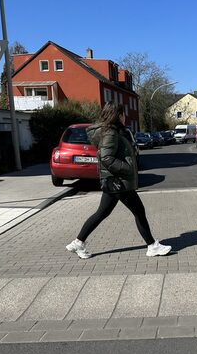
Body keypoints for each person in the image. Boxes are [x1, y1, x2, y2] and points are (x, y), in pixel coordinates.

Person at [66, 102, 171, 259]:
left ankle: (78, 242)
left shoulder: (112, 131)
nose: (125, 117)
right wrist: (126, 167)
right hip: (118, 182)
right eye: (123, 114)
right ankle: (152, 246)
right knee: (139, 212)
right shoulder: (110, 133)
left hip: (113, 181)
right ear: (116, 115)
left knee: (101, 213)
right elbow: (106, 157)